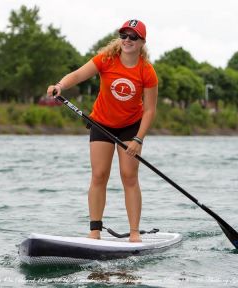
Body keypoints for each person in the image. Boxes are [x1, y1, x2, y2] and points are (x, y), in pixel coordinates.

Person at [47, 19, 158, 242]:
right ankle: (94, 231)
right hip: (101, 124)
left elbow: (150, 111)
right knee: (99, 175)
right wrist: (60, 85)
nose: (127, 40)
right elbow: (78, 75)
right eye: (124, 35)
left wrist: (138, 139)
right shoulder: (106, 60)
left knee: (129, 177)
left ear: (142, 42)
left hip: (131, 127)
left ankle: (134, 234)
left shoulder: (147, 71)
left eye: (133, 37)